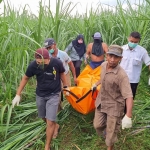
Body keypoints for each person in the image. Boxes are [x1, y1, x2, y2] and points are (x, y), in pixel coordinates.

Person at [12, 48, 67, 150]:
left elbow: (62, 73)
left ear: (48, 58)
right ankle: (56, 126)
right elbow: (25, 78)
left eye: (43, 62)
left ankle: (47, 146)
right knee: (43, 117)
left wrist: (66, 86)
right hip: (40, 95)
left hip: (54, 94)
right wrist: (18, 94)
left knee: (50, 121)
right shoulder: (33, 65)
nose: (41, 65)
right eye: (39, 62)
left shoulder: (57, 63)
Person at [92, 45, 133, 150]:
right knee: (97, 125)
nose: (112, 60)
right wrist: (96, 84)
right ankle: (107, 131)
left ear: (120, 59)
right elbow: (103, 78)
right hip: (102, 101)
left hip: (115, 105)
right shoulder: (103, 65)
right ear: (107, 55)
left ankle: (110, 145)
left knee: (110, 135)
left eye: (116, 57)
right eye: (110, 56)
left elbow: (128, 96)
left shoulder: (121, 75)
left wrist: (128, 115)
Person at [120, 31, 150, 99]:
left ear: (138, 41)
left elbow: (149, 63)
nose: (133, 43)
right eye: (131, 41)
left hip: (133, 80)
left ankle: (128, 110)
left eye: (135, 42)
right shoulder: (122, 49)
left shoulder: (142, 51)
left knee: (130, 99)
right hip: (121, 79)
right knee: (119, 98)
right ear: (128, 38)